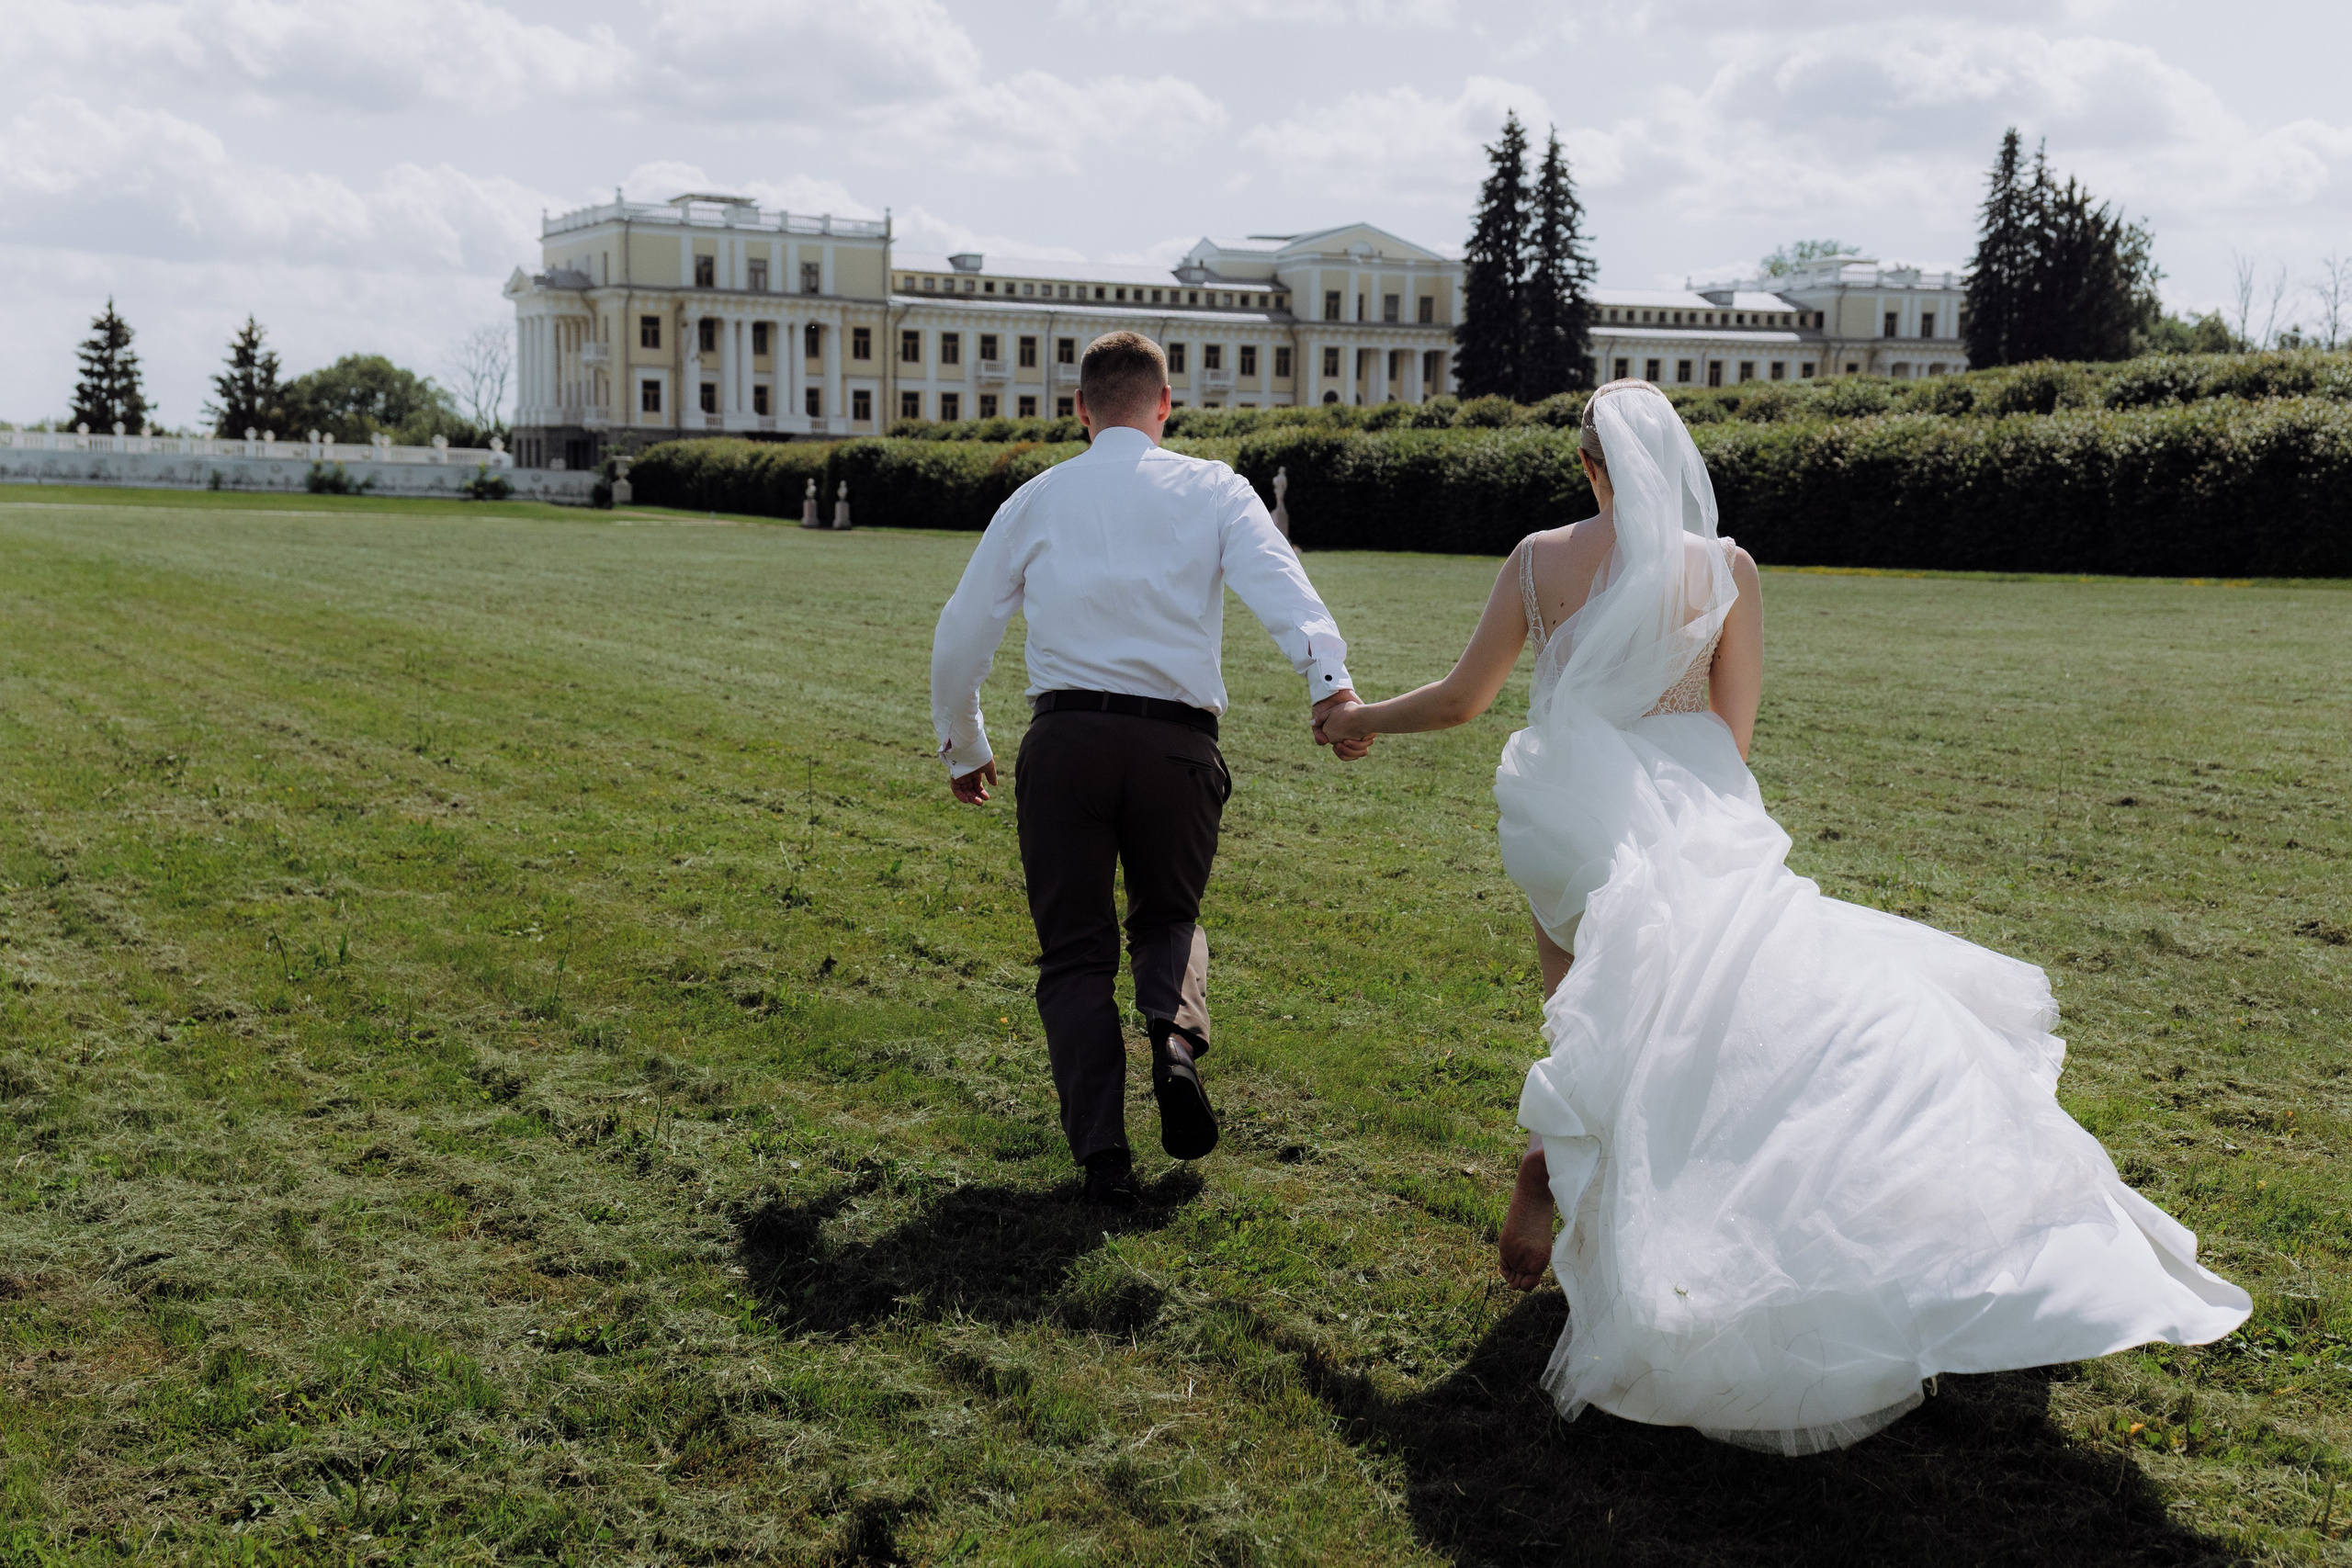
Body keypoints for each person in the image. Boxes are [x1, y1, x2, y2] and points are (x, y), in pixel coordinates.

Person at [1316, 379, 2249, 1454]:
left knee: (1583, 1009)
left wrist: (1356, 719)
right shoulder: (1727, 570)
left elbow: (1462, 699)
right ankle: (1619, 1181)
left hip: (1573, 805)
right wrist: (1697, 806)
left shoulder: (1538, 559)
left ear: (1587, 466)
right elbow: (1733, 727)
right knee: (1714, 1018)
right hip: (1691, 801)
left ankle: (1556, 1156)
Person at [931, 331, 1372, 1208]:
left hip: (1065, 743)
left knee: (1075, 951)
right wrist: (1331, 686)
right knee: (1169, 916)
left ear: (1080, 409)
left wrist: (966, 743)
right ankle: (1173, 1040)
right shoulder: (1215, 488)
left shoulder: (1036, 498)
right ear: (1166, 404)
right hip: (1176, 745)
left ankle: (1103, 1153)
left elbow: (961, 633)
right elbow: (1283, 586)